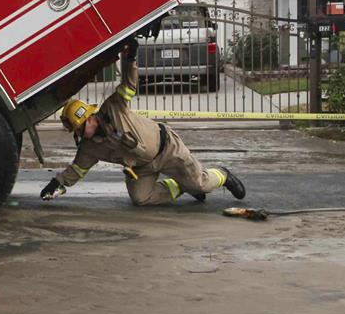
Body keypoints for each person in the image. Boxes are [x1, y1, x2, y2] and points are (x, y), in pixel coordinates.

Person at [40, 40, 245, 206]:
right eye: (77, 131)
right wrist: (56, 184)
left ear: (90, 118)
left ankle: (222, 174)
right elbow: (77, 170)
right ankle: (181, 186)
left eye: (81, 128)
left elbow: (129, 84)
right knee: (141, 198)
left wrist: (130, 59)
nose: (80, 134)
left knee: (201, 184)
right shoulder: (88, 148)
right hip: (141, 168)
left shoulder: (114, 107)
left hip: (168, 150)